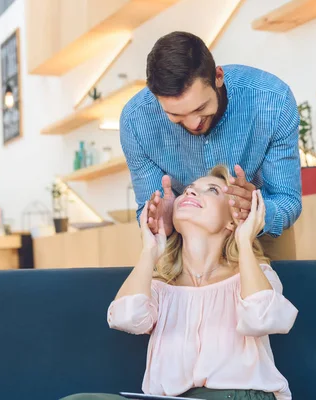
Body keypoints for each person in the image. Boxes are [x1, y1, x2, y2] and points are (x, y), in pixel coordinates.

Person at [61, 165, 298, 400]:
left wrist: (244, 240)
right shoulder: (162, 287)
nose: (190, 193)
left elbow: (261, 318)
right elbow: (126, 318)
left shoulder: (254, 275)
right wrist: (150, 249)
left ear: (232, 220)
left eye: (213, 190)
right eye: (189, 189)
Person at [120, 31, 302, 260]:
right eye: (175, 115)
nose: (193, 124)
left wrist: (257, 211)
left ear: (218, 77)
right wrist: (159, 220)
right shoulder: (136, 121)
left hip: (260, 231)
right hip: (182, 239)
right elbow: (148, 208)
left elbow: (287, 199)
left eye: (200, 108)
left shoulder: (272, 101)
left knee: (277, 290)